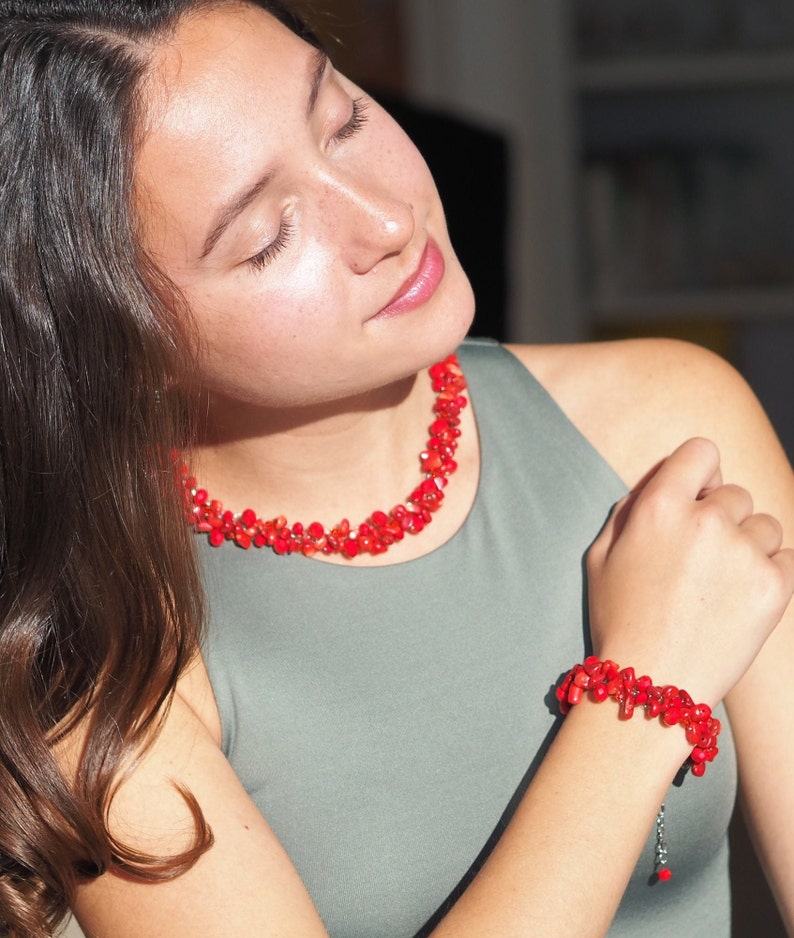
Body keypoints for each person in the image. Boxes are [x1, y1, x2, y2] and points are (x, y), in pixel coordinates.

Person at [1, 2, 794, 937]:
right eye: (268, 235)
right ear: (114, 341)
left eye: (345, 120)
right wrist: (645, 686)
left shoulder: (665, 426)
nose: (384, 217)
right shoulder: (96, 665)